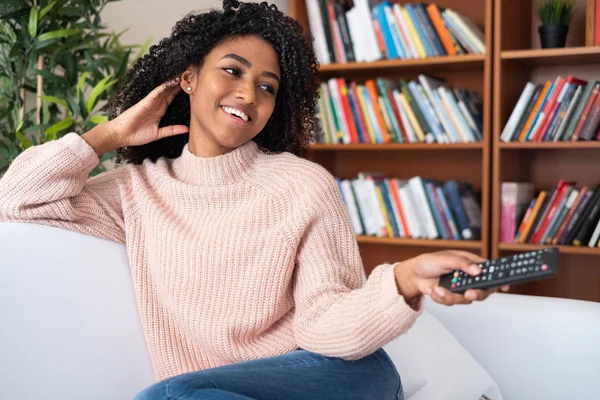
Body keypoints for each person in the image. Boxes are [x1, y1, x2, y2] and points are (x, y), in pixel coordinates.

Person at [0, 1, 507, 399]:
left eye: (267, 87)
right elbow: (18, 199)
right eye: (233, 71)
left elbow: (325, 324)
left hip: (341, 379)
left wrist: (402, 281)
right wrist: (109, 134)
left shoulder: (303, 185)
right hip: (212, 393)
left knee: (171, 395)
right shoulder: (137, 191)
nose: (248, 94)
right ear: (189, 77)